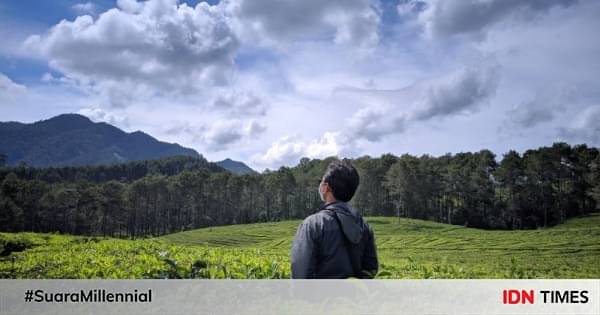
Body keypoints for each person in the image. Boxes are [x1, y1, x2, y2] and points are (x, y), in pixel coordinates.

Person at [290, 159, 378, 279]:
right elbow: (371, 269)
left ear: (325, 187)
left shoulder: (313, 225)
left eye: (321, 182)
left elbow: (300, 274)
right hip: (356, 296)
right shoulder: (364, 226)